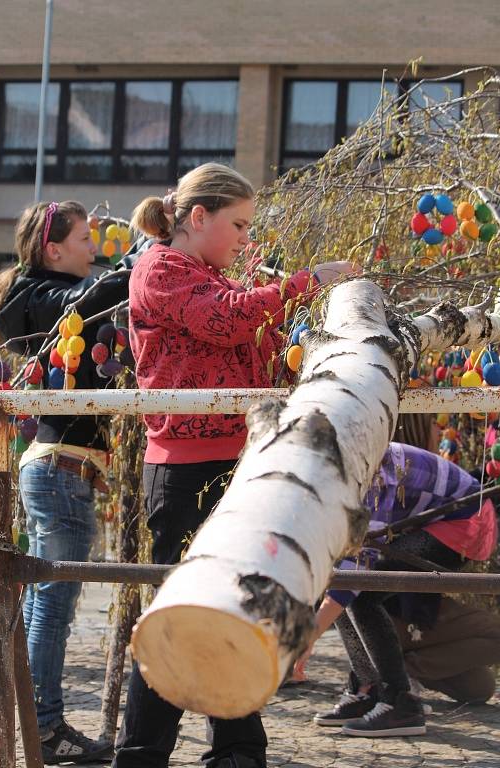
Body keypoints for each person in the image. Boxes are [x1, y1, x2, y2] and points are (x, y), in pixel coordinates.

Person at [113, 162, 355, 768]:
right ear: (198, 218)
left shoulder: (209, 273)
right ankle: (142, 753)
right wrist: (302, 283)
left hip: (230, 458)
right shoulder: (162, 268)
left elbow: (250, 330)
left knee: (234, 604)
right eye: (239, 224)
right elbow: (226, 321)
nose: (248, 238)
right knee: (176, 611)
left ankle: (238, 748)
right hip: (183, 467)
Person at [0, 201, 136, 764]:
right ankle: (44, 725)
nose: (93, 250)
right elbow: (83, 300)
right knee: (53, 603)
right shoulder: (38, 296)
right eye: (82, 239)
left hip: (63, 468)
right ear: (53, 249)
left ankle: (35, 720)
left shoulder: (45, 292)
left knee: (46, 603)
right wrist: (138, 265)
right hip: (59, 470)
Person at [293, 442, 497, 737]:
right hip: (439, 518)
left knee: (363, 593)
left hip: (466, 521)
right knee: (342, 582)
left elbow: (359, 565)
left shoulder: (371, 472)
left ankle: (401, 703)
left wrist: (309, 636)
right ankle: (368, 687)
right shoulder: (334, 468)